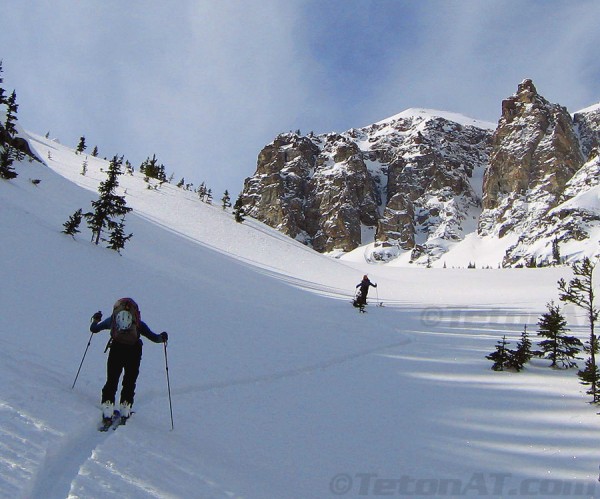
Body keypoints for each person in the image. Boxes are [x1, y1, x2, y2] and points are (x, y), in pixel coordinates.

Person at [90, 298, 168, 423]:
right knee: (130, 380)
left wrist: (96, 319)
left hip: (116, 349)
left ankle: (107, 406)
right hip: (134, 352)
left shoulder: (112, 321)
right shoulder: (138, 323)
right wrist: (162, 337)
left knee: (112, 378)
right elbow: (155, 338)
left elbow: (94, 329)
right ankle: (125, 407)